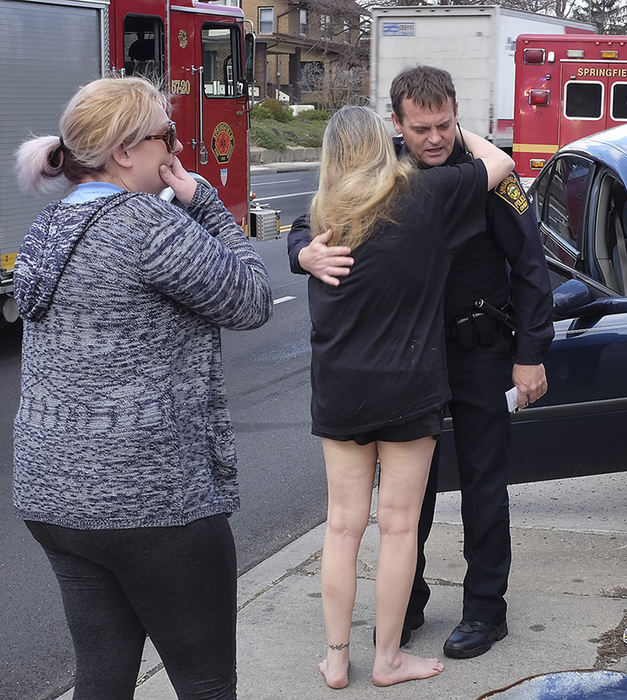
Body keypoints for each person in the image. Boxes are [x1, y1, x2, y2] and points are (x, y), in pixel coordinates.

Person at [13, 76, 272, 699]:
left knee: (102, 676)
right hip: (151, 497)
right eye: (167, 136)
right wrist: (207, 204)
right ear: (125, 151)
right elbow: (252, 300)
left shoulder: (47, 227)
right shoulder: (146, 224)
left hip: (54, 494)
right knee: (206, 683)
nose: (176, 150)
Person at [288, 66, 553, 660]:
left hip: (479, 350)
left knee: (484, 483)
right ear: (396, 124)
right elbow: (322, 216)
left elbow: (531, 266)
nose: (434, 138)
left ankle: (486, 610)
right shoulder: (388, 173)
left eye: (444, 125)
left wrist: (531, 354)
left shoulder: (485, 176)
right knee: (413, 497)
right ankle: (403, 608)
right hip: (413, 360)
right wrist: (301, 253)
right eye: (420, 128)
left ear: (458, 116)